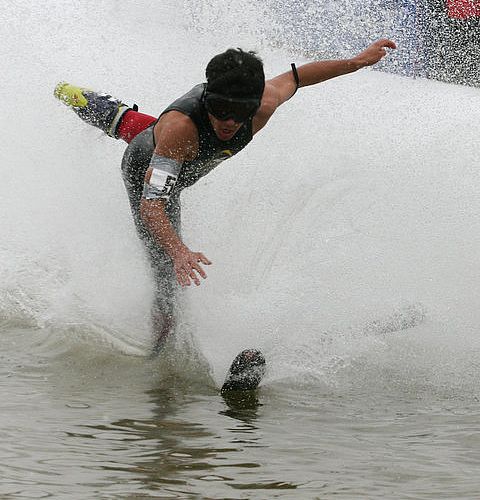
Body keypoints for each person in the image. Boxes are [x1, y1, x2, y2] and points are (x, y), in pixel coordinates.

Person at [54, 39, 396, 351]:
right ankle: (164, 351)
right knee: (166, 275)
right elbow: (152, 206)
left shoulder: (264, 103)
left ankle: (101, 108)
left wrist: (356, 62)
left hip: (168, 146)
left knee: (138, 127)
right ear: (207, 98)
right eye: (220, 109)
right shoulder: (181, 129)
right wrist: (179, 252)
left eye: (239, 113)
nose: (229, 122)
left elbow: (297, 77)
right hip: (148, 166)